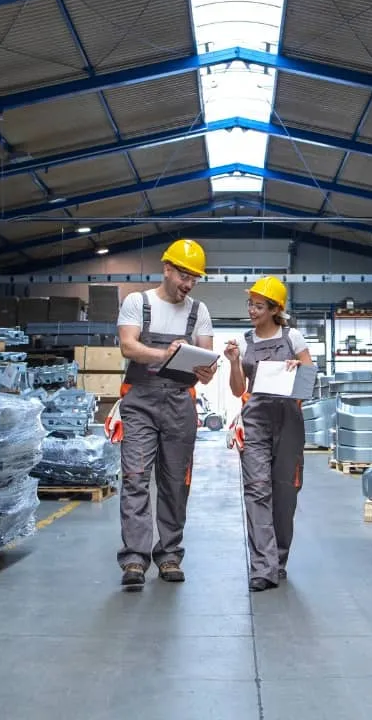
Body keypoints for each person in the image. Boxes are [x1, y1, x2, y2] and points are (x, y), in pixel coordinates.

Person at [115, 239, 217, 590]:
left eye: (195, 278)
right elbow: (128, 346)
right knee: (135, 477)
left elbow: (206, 361)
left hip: (179, 403)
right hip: (140, 402)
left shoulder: (199, 311)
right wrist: (165, 354)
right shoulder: (138, 302)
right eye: (184, 276)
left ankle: (169, 554)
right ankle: (134, 558)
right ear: (167, 269)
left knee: (175, 481)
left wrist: (207, 371)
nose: (189, 284)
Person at [224, 276, 313, 592]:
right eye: (250, 304)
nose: (251, 310)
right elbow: (238, 390)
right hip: (256, 420)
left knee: (285, 494)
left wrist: (295, 369)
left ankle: (278, 560)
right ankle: (262, 568)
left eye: (259, 306)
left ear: (275, 309)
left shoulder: (294, 338)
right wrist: (235, 362)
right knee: (257, 489)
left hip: (289, 419)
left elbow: (309, 381)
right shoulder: (245, 340)